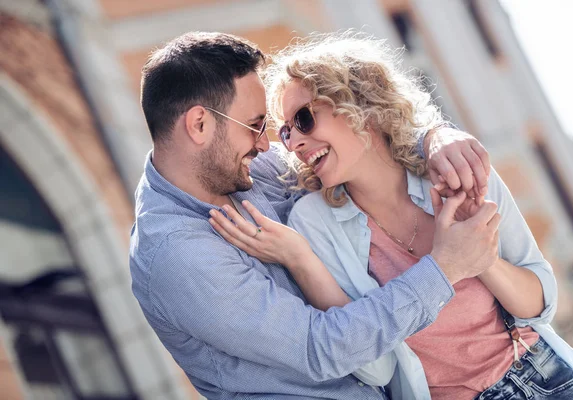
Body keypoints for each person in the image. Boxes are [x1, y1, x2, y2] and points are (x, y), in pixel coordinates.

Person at [210, 33, 573, 400]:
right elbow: (376, 369)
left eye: (305, 119)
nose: (293, 142)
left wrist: (481, 259)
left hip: (549, 378)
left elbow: (541, 303)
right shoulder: (314, 223)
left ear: (359, 106)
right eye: (287, 133)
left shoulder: (455, 168)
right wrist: (300, 259)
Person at [130, 31, 500, 400]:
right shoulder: (176, 255)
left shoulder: (250, 167)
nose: (265, 143)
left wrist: (433, 139)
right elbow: (321, 348)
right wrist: (444, 269)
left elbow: (355, 146)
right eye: (255, 124)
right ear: (199, 125)